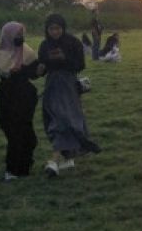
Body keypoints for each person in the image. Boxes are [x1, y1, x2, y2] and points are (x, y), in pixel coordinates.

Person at [0, 21, 41, 180]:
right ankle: (12, 169)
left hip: (25, 96)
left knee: (26, 133)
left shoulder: (28, 52)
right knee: (13, 133)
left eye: (21, 34)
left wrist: (28, 69)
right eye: (16, 35)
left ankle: (24, 167)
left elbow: (34, 74)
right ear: (7, 35)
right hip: (6, 98)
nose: (19, 38)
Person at [37, 14, 100, 176]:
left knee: (63, 119)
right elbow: (42, 67)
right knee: (56, 118)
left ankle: (55, 160)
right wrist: (41, 67)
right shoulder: (45, 45)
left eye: (58, 28)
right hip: (52, 86)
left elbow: (80, 65)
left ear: (63, 28)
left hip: (68, 85)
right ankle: (67, 157)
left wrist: (64, 58)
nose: (55, 32)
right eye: (51, 28)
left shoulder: (72, 42)